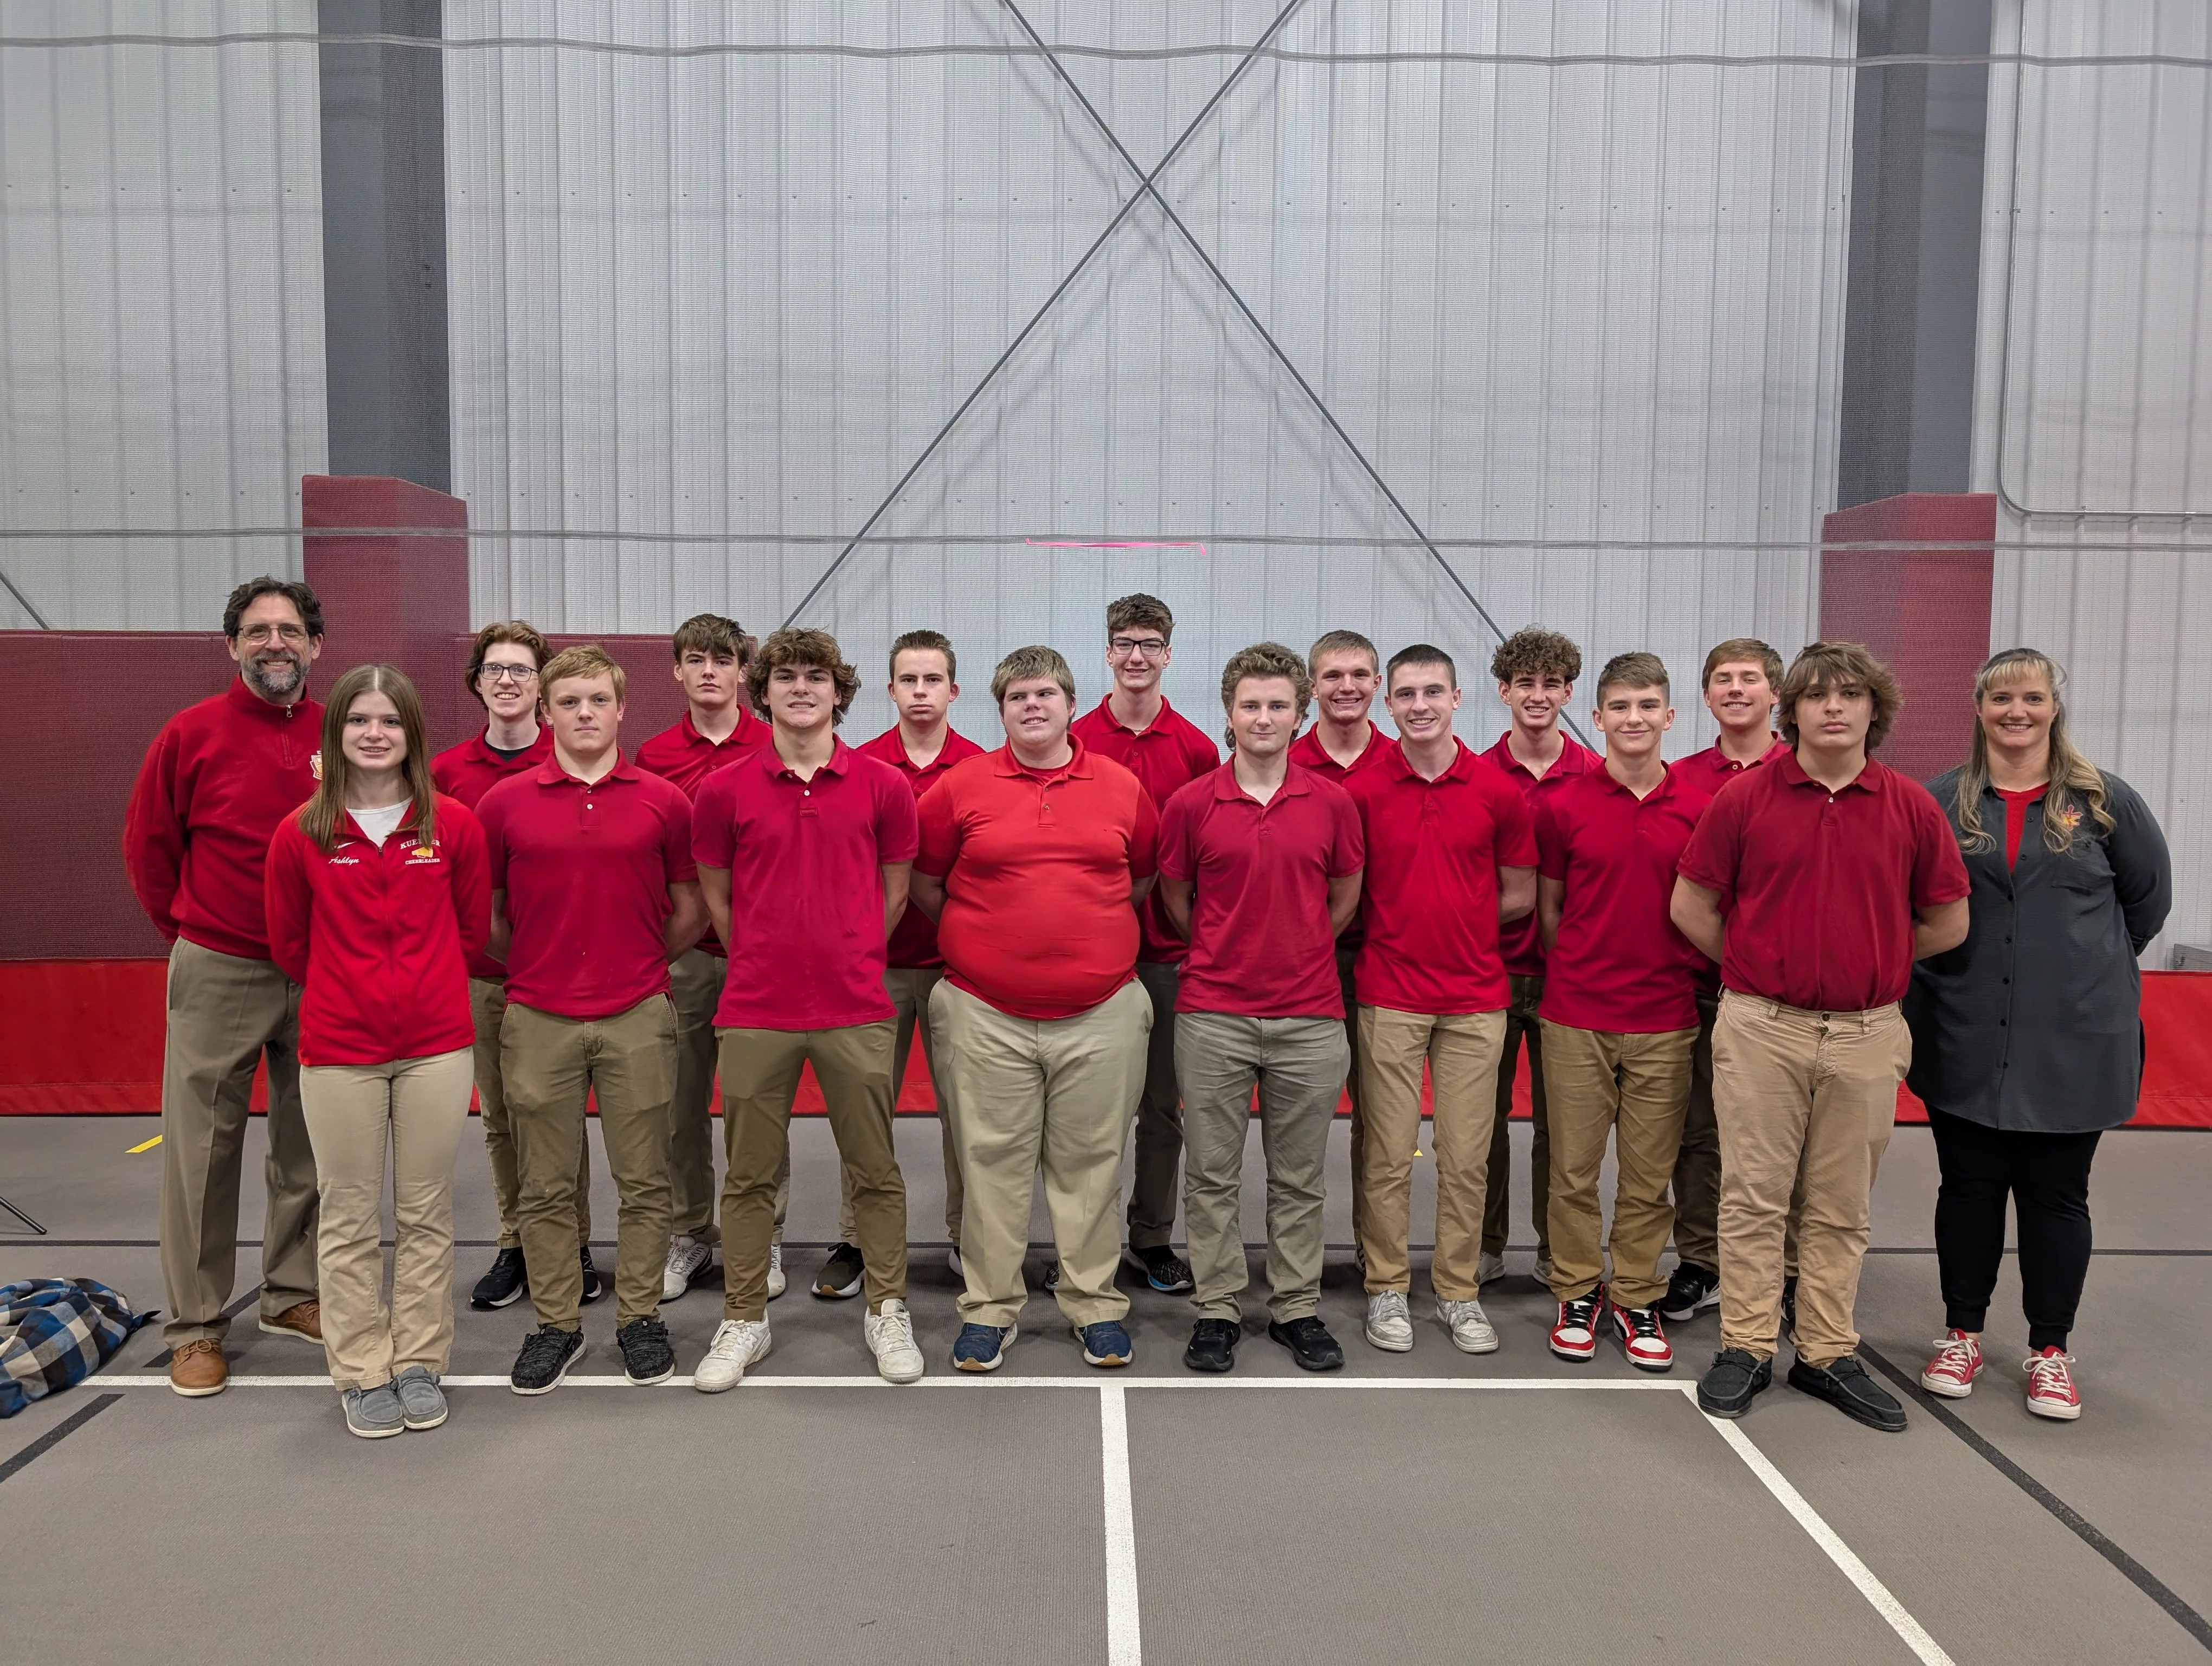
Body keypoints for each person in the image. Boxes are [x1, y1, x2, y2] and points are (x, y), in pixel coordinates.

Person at [1674, 641, 1971, 1432]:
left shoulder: (1910, 806)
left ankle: (1826, 1350)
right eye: (1817, 696)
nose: (1833, 707)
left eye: (1850, 695)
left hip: (1867, 1034)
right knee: (1753, 1197)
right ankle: (1744, 1343)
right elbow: (1693, 907)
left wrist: (1871, 958)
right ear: (1792, 709)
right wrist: (1755, 968)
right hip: (1761, 1027)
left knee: (1840, 1205)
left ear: (1876, 710)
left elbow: (1949, 919)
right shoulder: (1743, 800)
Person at [1907, 648, 2171, 1420]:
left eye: (2031, 698)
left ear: (2054, 706)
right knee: (1969, 1188)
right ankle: (1961, 1334)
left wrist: (2079, 972)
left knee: (2058, 1196)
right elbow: (1917, 906)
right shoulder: (1940, 803)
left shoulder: (2105, 801)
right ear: (1979, 709)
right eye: (2000, 699)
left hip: (2075, 1041)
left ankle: (2049, 1350)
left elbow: (2144, 906)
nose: (2015, 712)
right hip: (1964, 1031)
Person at [687, 629, 925, 1391]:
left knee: (875, 1170)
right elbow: (717, 900)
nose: (800, 688)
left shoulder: (884, 786)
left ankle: (888, 1308)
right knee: (751, 1174)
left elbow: (893, 893)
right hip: (757, 1008)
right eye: (785, 677)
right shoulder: (723, 791)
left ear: (839, 692)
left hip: (855, 1007)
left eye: (815, 677)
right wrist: (765, 954)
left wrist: (849, 951)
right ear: (765, 692)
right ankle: (745, 1318)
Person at [914, 646, 1159, 1373]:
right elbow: (928, 884)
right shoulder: (959, 788)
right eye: (1017, 696)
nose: (1032, 706)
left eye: (1045, 693)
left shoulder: (1122, 787)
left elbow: (1140, 880)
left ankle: (1094, 1304)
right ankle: (989, 1310)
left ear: (1071, 704)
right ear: (1001, 710)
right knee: (992, 1164)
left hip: (1103, 1011)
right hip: (984, 1011)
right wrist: (991, 942)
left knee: (1091, 1164)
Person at [475, 645, 707, 1394]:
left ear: (620, 709)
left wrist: (637, 965)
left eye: (597, 702)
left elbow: (690, 909)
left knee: (644, 1181)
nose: (584, 714)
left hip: (639, 1011)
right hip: (537, 1016)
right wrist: (540, 971)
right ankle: (557, 1324)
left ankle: (639, 1317)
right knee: (544, 1185)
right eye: (568, 702)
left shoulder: (664, 801)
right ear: (545, 712)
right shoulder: (502, 805)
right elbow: (490, 917)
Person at [265, 665, 488, 1439]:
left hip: (435, 1048)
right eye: (359, 719)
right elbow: (291, 946)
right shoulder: (300, 833)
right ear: (338, 733)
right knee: (351, 1214)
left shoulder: (453, 825)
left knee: (427, 1211)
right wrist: (353, 992)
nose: (373, 733)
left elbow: (469, 932)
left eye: (389, 721)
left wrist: (420, 990)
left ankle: (421, 1360)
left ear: (411, 734)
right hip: (339, 1052)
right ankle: (362, 1369)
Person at [125, 577, 328, 1398]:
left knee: (311, 1145)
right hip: (221, 964)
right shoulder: (191, 734)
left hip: (323, 970)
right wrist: (192, 938)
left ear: (316, 645)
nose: (274, 643)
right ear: (232, 646)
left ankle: (292, 1293)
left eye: (289, 630)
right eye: (257, 631)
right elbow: (150, 850)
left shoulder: (345, 733)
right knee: (202, 1154)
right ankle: (196, 1326)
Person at [1158, 644, 1363, 1373]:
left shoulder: (1333, 803)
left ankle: (1296, 1308)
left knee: (1299, 1175)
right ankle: (1216, 1308)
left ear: (1300, 714)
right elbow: (1177, 901)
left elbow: (1344, 898)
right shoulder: (1191, 805)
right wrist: (1226, 948)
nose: (1264, 717)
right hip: (1214, 1015)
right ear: (1230, 714)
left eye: (1278, 705)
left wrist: (1299, 947)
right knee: (1211, 1173)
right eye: (1251, 705)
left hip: (1311, 1018)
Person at [1347, 645, 1537, 1355]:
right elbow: (1348, 888)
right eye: (1406, 694)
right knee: (1388, 1154)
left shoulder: (1496, 790)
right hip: (1389, 996)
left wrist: (1456, 924)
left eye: (1433, 691)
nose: (1420, 704)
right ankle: (1387, 1289)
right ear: (1388, 705)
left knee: (1465, 1156)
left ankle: (1458, 1292)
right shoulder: (1363, 791)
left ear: (1458, 699)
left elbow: (1519, 890)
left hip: (1474, 1000)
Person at [1534, 654, 1711, 1373]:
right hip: (1577, 1015)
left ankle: (1637, 1294)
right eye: (1619, 706)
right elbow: (1550, 910)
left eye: (1647, 706)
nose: (1633, 718)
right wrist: (1580, 972)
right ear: (1598, 718)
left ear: (1669, 718)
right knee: (1573, 1171)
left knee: (1648, 1175)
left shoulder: (1703, 807)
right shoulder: (1562, 805)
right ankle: (1578, 1291)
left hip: (1667, 1019)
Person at [432, 622, 600, 1315]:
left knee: (561, 1119)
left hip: (564, 977)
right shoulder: (445, 774)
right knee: (502, 1118)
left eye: (522, 671)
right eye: (495, 669)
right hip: (483, 977)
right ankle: (517, 1240)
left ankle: (573, 1243)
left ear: (544, 687)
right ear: (477, 683)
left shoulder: (579, 757)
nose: (508, 681)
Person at [1071, 592, 1217, 1295]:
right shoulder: (1071, 739)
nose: (1136, 656)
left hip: (1164, 959)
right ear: (1107, 652)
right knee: (1085, 1116)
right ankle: (1082, 1246)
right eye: (1124, 642)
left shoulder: (1196, 749)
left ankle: (1151, 1239)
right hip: (1089, 958)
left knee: (1162, 1108)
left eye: (1150, 643)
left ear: (1167, 653)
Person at [633, 615, 780, 1306]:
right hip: (687, 958)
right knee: (681, 1105)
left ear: (744, 670)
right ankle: (690, 1232)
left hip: (763, 958)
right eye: (697, 660)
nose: (711, 672)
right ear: (678, 673)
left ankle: (764, 1235)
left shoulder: (779, 744)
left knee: (758, 1106)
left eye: (724, 660)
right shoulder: (655, 756)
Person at [847, 629, 986, 1287]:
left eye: (934, 681)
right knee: (864, 1109)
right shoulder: (860, 766)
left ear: (953, 690)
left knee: (968, 1116)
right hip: (875, 969)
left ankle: (968, 1236)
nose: (922, 692)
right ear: (892, 689)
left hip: (960, 976)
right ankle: (857, 1241)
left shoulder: (983, 769)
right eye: (910, 680)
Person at [1660, 638, 1787, 1327]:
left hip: (1786, 1000)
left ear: (1775, 693)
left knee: (1781, 1137)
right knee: (1699, 1132)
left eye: (1750, 679)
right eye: (1723, 680)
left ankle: (1787, 1270)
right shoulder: (1681, 779)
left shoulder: (1804, 773)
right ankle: (1703, 1261)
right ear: (1706, 696)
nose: (1736, 689)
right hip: (1704, 989)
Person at [1477, 627, 1600, 1291]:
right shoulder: (1474, 773)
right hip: (1490, 977)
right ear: (1504, 692)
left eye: (1551, 684)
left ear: (1569, 693)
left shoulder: (1594, 775)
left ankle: (1559, 1250)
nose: (1538, 695)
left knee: (1565, 1132)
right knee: (1481, 1126)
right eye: (1526, 683)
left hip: (1566, 983)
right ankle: (1488, 1244)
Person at [1288, 630, 1390, 1258]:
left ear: (1377, 684)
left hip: (1385, 963)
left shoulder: (1407, 761)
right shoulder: (1283, 762)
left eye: (1358, 675)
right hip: (1304, 967)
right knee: (1296, 1127)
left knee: (1382, 1123)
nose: (1346, 687)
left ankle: (1376, 1261)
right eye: (1331, 676)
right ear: (1312, 686)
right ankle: (1293, 1257)